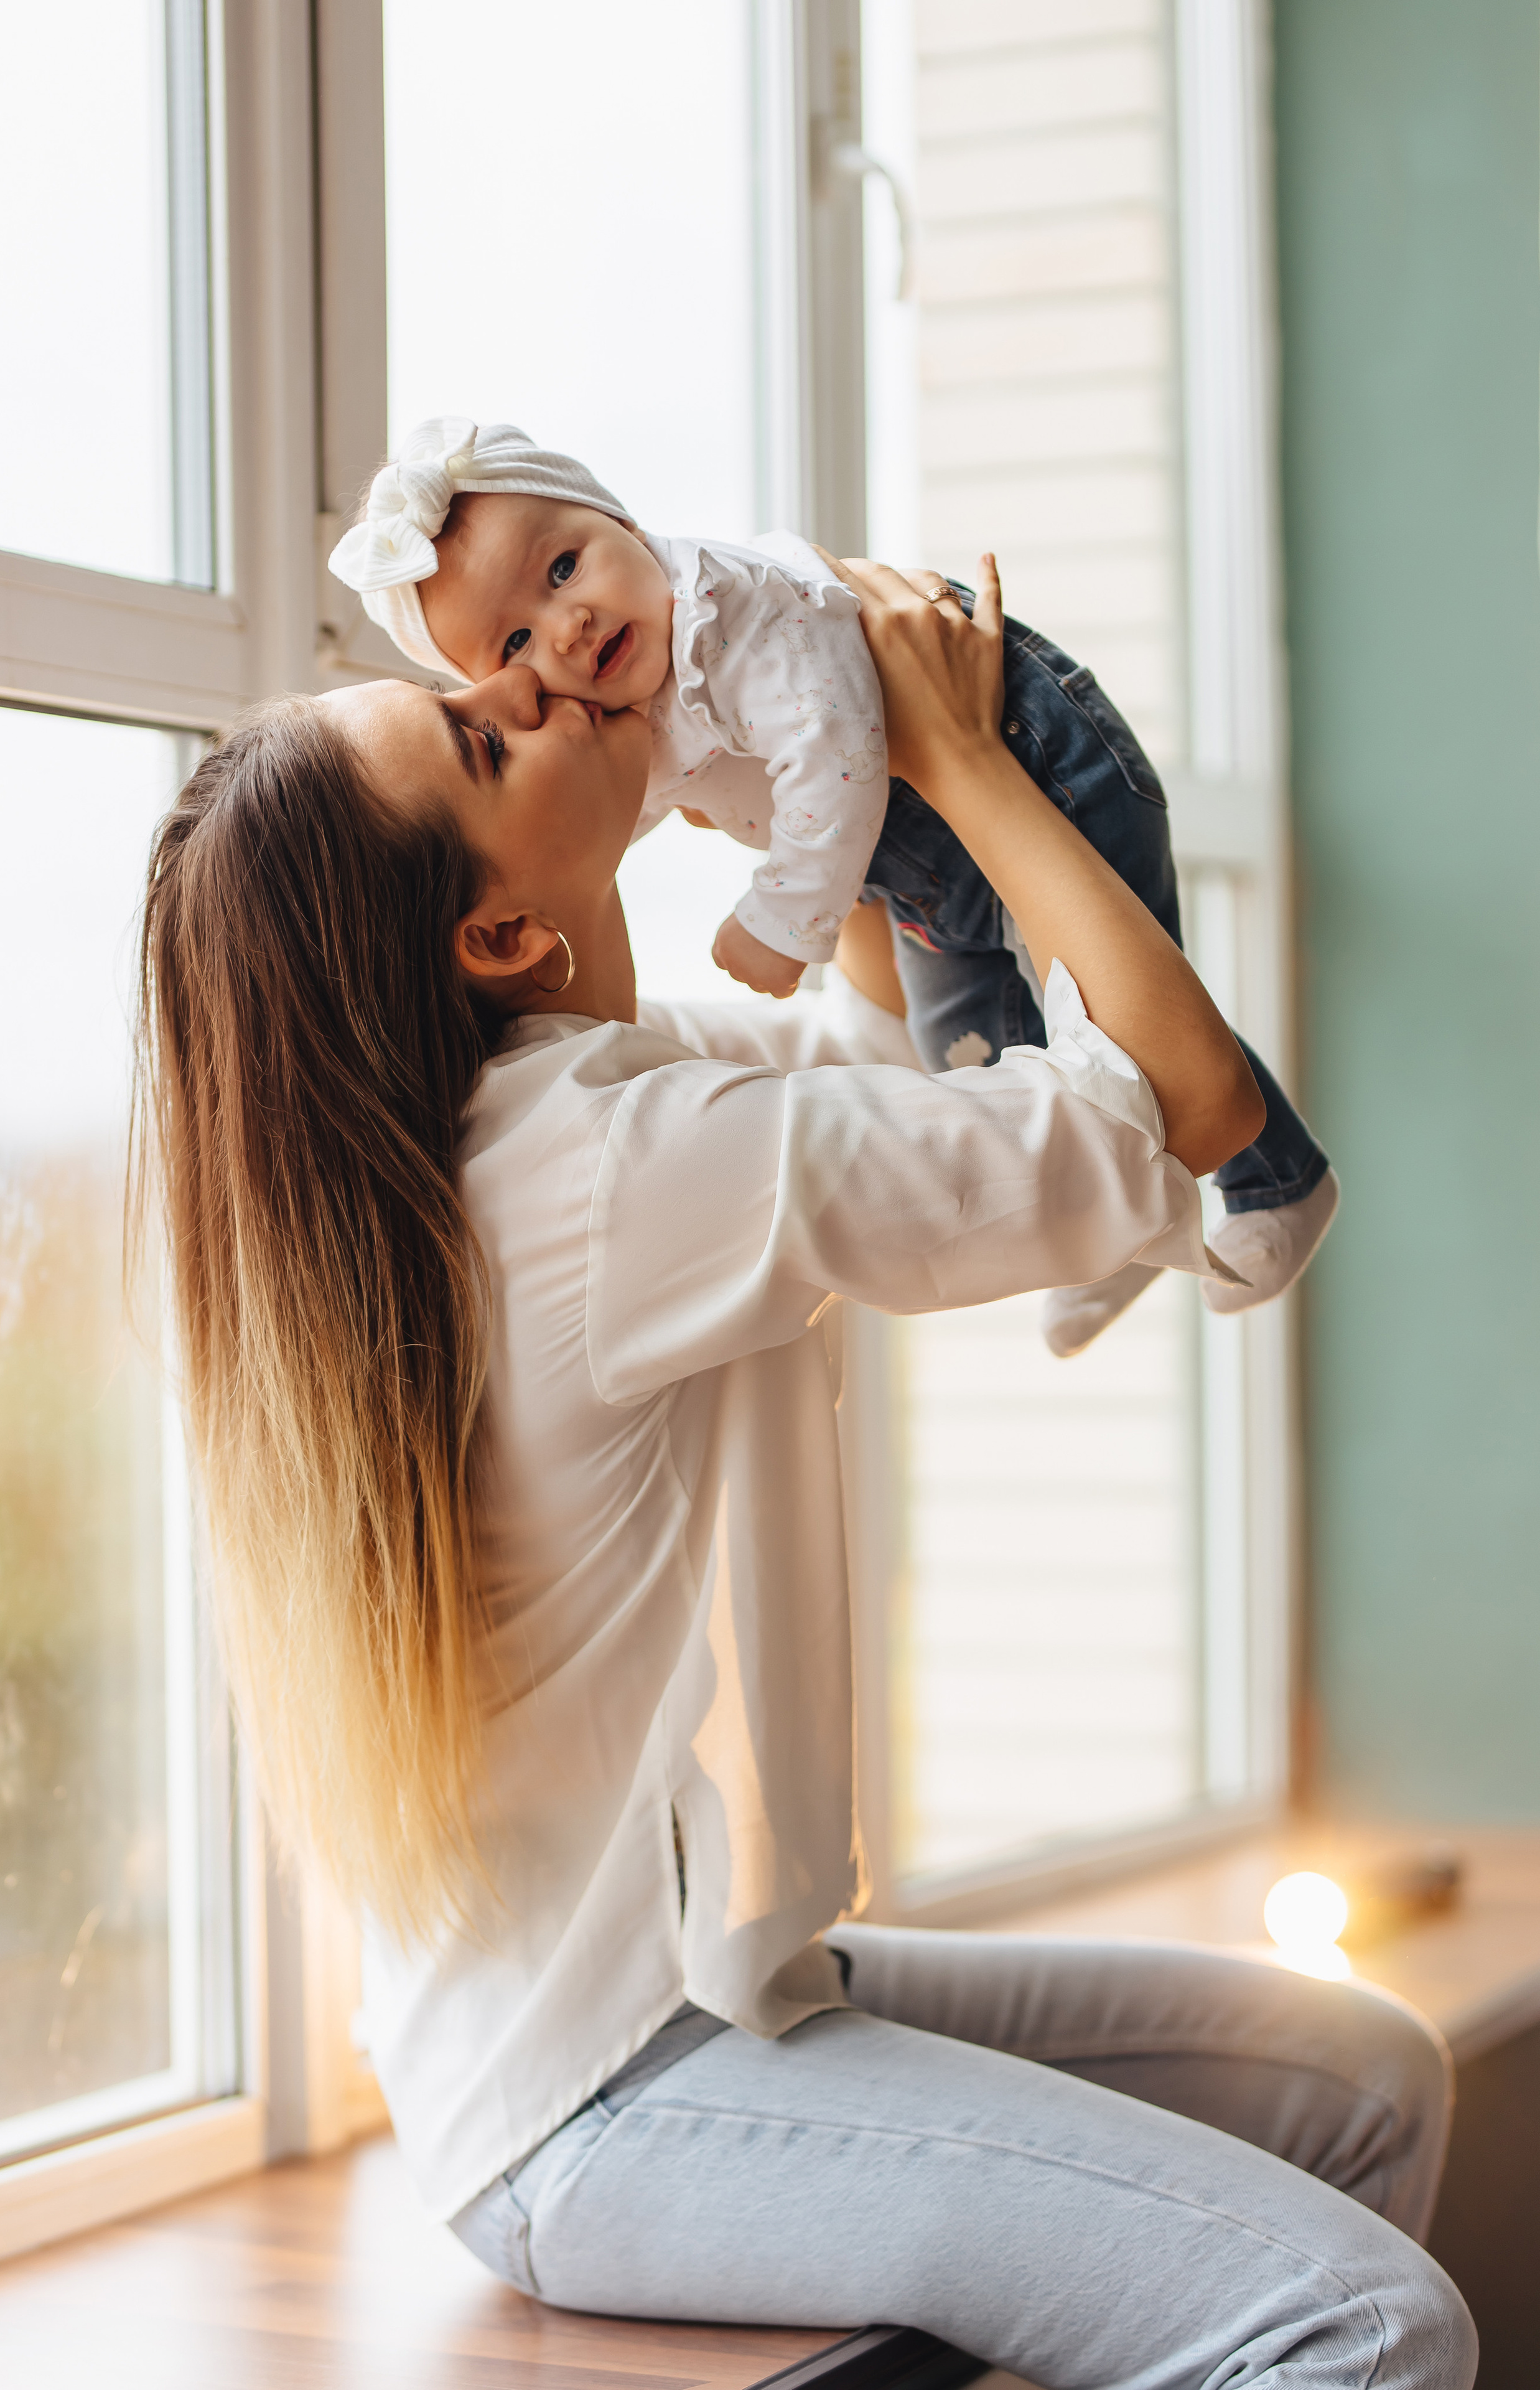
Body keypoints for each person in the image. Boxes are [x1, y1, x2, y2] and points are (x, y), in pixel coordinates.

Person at [134, 553, 1473, 2389]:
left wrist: (830, 787)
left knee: (1364, 2074)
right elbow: (1177, 1114)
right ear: (498, 936)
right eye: (480, 734)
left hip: (694, 1989)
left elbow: (876, 1082)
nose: (526, 678)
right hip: (598, 2100)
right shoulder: (604, 1169)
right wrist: (967, 763)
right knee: (1370, 2323)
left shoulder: (573, 1110)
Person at [326, 416, 1339, 1359]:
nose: (552, 646)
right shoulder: (616, 1153)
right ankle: (1108, 1223)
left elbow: (837, 760)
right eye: (500, 674)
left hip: (1038, 768)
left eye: (563, 567)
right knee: (964, 1047)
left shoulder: (729, 617)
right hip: (929, 855)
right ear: (500, 933)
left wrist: (786, 912)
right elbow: (882, 1046)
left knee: (1098, 1013)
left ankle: (1275, 1182)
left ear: (626, 524)